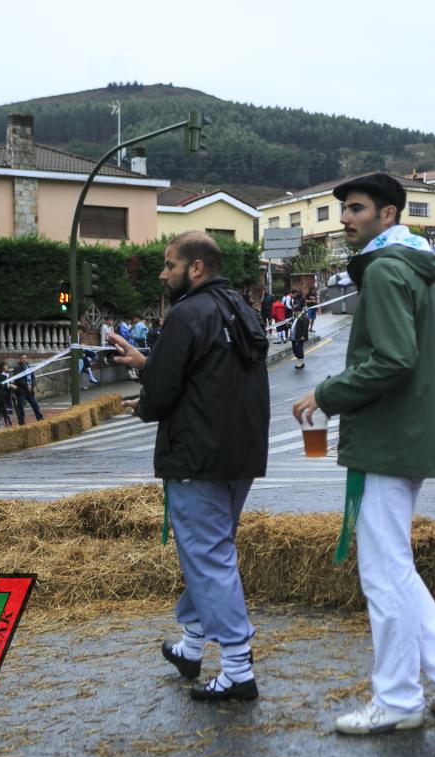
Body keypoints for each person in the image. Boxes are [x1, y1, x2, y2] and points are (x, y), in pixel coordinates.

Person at [292, 173, 435, 735]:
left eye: (356, 208)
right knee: (395, 566)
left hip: (385, 436)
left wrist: (326, 394)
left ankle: (397, 699)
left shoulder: (383, 270)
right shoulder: (408, 265)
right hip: (403, 434)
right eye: (345, 209)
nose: (345, 218)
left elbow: (392, 359)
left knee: (382, 574)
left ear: (388, 214)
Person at [111, 231, 270, 702]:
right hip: (240, 455)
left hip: (196, 455)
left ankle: (237, 668)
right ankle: (192, 645)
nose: (163, 274)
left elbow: (163, 392)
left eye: (169, 265)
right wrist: (149, 363)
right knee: (209, 553)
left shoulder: (186, 314)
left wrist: (144, 400)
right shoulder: (242, 309)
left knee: (208, 556)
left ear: (195, 268)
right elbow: (205, 375)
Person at [12, 354, 44, 425]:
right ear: (19, 359)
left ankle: (39, 417)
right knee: (21, 406)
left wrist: (32, 385)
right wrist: (26, 386)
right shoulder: (17, 368)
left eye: (25, 358)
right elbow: (18, 379)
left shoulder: (29, 367)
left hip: (30, 390)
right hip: (21, 390)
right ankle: (21, 421)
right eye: (22, 358)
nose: (24, 359)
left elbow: (33, 377)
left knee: (35, 404)